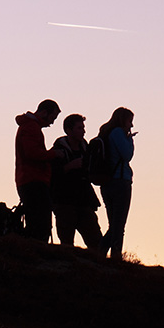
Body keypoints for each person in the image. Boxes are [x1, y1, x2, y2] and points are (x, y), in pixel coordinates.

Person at [50, 114, 101, 249]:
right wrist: (69, 167)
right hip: (64, 202)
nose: (83, 131)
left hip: (84, 201)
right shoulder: (57, 151)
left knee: (96, 242)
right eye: (79, 128)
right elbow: (51, 175)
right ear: (68, 130)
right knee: (67, 243)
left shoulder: (86, 149)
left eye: (83, 128)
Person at [13, 99, 61, 242]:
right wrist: (54, 154)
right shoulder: (31, 128)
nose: (52, 123)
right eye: (52, 118)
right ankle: (37, 248)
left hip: (29, 179)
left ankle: (33, 247)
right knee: (40, 222)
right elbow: (32, 153)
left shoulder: (29, 126)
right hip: (33, 180)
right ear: (44, 112)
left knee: (37, 220)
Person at [98, 107, 136, 259]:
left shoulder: (106, 133)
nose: (131, 125)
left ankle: (101, 253)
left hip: (107, 182)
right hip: (120, 181)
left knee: (114, 223)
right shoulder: (118, 133)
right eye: (130, 121)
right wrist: (130, 140)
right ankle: (113, 255)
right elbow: (127, 155)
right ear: (123, 120)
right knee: (119, 224)